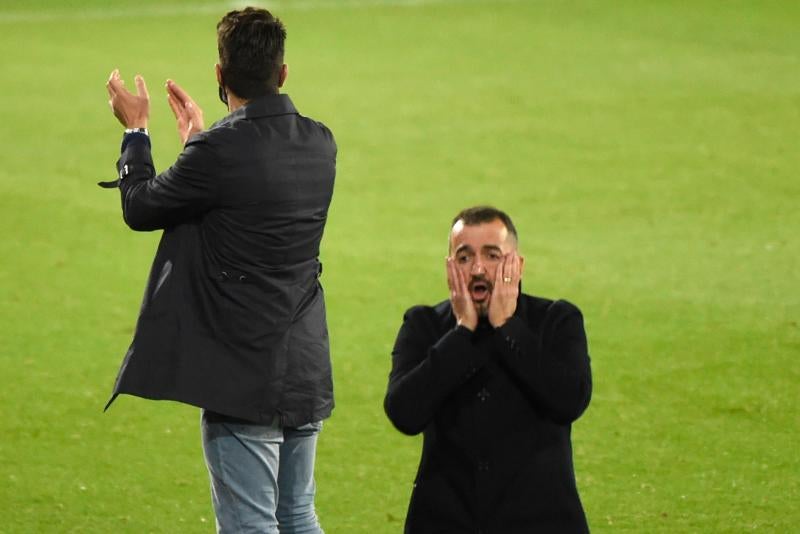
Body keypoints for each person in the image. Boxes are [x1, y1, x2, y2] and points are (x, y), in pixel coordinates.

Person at [103, 8, 335, 534]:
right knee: (298, 516)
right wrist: (200, 144)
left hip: (243, 376)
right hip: (302, 364)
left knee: (251, 526)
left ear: (219, 75)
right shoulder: (321, 142)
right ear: (282, 73)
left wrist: (137, 131)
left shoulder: (219, 152)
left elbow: (141, 207)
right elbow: (246, 193)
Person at [384, 206, 592, 533]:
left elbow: (569, 400)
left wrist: (507, 327)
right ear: (450, 267)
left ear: (518, 265)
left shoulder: (555, 320)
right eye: (464, 257)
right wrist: (462, 332)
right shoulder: (423, 325)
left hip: (541, 522)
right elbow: (404, 413)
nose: (478, 268)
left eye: (493, 255)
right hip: (446, 522)